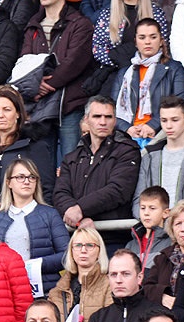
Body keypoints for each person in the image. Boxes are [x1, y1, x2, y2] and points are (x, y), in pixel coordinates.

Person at [21, 0, 94, 163]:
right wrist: (35, 86)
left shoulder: (80, 24)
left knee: (72, 162)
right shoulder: (33, 26)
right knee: (41, 165)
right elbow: (25, 62)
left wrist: (45, 85)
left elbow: (74, 62)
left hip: (68, 104)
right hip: (40, 107)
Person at [53, 97, 141, 242]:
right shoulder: (72, 157)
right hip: (76, 237)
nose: (102, 122)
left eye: (108, 117)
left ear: (115, 120)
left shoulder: (128, 150)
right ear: (86, 119)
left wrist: (80, 209)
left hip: (113, 238)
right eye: (97, 116)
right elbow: (60, 193)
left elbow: (118, 190)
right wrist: (78, 218)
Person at [0, 158, 70, 293]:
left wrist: (34, 265)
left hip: (45, 291)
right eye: (20, 177)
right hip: (7, 292)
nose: (27, 181)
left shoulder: (50, 214)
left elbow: (67, 255)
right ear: (9, 182)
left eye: (31, 177)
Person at [0, 84, 55, 201]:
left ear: (18, 114)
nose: (0, 115)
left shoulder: (35, 146)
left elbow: (46, 189)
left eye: (7, 110)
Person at [110, 17, 184, 139]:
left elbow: (180, 104)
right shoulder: (124, 73)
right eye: (142, 38)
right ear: (136, 42)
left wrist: (152, 125)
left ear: (160, 41)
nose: (147, 42)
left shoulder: (175, 69)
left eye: (153, 37)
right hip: (127, 137)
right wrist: (127, 129)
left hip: (162, 136)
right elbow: (112, 109)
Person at [93, 0, 169, 81]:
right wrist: (118, 61)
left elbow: (163, 45)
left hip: (150, 73)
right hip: (115, 73)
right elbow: (97, 48)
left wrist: (138, 62)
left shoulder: (156, 13)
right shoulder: (107, 14)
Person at [47, 227, 112, 322]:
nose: (83, 250)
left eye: (89, 245)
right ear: (71, 251)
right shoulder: (57, 291)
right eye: (77, 245)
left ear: (99, 251)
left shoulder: (110, 285)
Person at [142, 200, 184, 304]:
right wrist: (163, 297)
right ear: (172, 229)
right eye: (178, 224)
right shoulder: (163, 257)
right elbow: (147, 288)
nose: (183, 229)